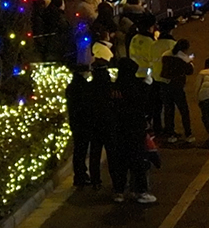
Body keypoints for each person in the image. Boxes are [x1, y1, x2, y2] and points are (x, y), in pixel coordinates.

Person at [107, 60, 157, 204]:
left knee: (119, 162)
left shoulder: (113, 87)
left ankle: (119, 191)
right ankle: (140, 191)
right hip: (134, 130)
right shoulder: (137, 86)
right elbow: (146, 104)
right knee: (137, 161)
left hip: (117, 130)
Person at [65, 65, 105, 189]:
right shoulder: (85, 87)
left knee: (79, 150)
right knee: (87, 150)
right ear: (84, 73)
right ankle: (86, 176)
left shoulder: (71, 87)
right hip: (86, 122)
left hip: (76, 123)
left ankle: (79, 176)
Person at [158, 38, 195, 144]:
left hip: (165, 85)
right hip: (177, 86)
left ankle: (170, 134)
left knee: (168, 111)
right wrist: (190, 60)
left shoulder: (166, 55)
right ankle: (188, 134)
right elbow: (190, 71)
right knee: (184, 110)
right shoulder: (183, 58)